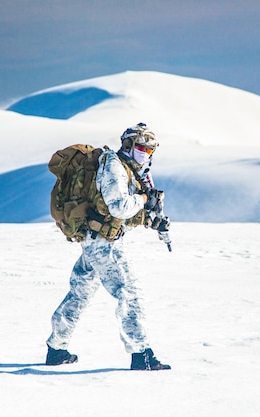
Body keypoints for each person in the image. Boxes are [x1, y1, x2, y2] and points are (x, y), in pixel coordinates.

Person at [45, 123, 171, 371]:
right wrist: (144, 199)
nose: (146, 153)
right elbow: (119, 207)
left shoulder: (126, 168)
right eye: (142, 147)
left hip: (96, 240)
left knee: (80, 293)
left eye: (149, 150)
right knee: (129, 293)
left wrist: (149, 218)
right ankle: (141, 354)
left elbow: (116, 211)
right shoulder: (114, 166)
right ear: (128, 145)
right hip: (105, 245)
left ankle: (56, 348)